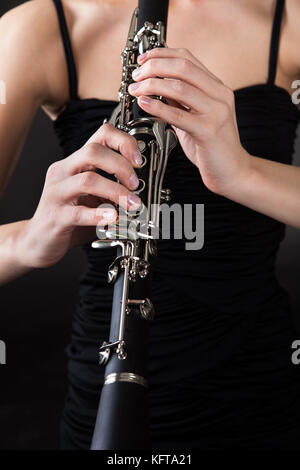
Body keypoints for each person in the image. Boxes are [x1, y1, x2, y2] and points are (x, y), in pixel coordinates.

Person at [0, 0, 300, 450]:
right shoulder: (43, 25)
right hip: (100, 395)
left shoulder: (290, 16)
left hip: (262, 397)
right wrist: (29, 238)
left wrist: (243, 173)